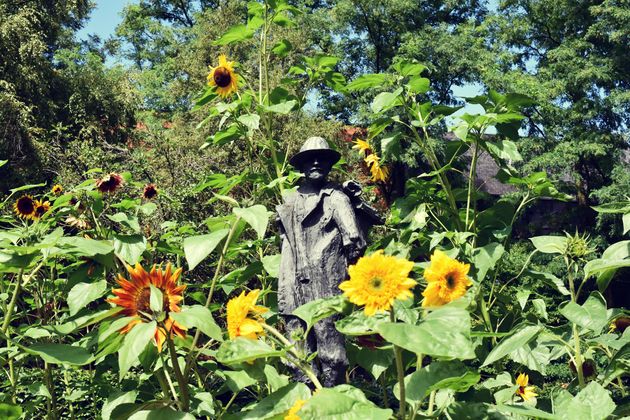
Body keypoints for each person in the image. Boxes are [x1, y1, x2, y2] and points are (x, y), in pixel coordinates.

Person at [276, 136, 381, 386]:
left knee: (331, 352)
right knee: (297, 352)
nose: (315, 163)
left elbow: (354, 240)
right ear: (301, 166)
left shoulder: (336, 198)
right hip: (292, 286)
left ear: (329, 165)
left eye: (321, 159)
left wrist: (338, 271)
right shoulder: (288, 200)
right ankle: (305, 406)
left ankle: (333, 403)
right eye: (309, 159)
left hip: (325, 286)